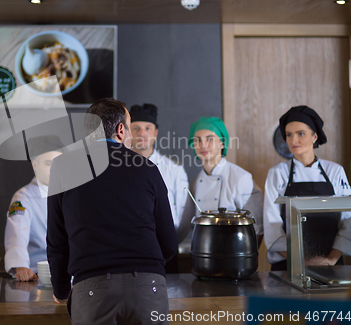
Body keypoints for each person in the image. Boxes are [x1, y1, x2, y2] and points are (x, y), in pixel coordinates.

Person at [47, 98, 178, 325]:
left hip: (92, 289)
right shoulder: (148, 168)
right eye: (130, 127)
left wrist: (60, 290)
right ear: (120, 130)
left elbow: (57, 241)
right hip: (149, 287)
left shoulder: (62, 167)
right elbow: (168, 243)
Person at [264, 106, 351, 271]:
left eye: (301, 134)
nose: (293, 141)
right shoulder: (277, 173)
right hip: (288, 266)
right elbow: (272, 224)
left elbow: (349, 219)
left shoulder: (335, 171)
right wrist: (301, 261)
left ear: (315, 136)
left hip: (330, 264)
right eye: (289, 135)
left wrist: (330, 259)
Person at [176, 117, 263, 244]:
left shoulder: (241, 178)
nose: (203, 145)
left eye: (209, 139)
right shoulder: (195, 183)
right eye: (197, 140)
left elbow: (257, 229)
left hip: (235, 254)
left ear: (222, 143)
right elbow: (186, 224)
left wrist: (244, 259)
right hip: (205, 254)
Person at [129, 103, 188, 274]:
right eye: (136, 128)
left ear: (155, 133)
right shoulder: (117, 167)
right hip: (128, 251)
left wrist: (171, 242)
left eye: (148, 128)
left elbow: (184, 215)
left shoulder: (174, 168)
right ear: (127, 132)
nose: (142, 133)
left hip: (165, 251)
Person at [4, 135, 65, 282]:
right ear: (35, 165)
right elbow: (17, 234)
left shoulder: (71, 193)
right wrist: (20, 266)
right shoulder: (23, 197)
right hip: (39, 274)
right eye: (49, 163)